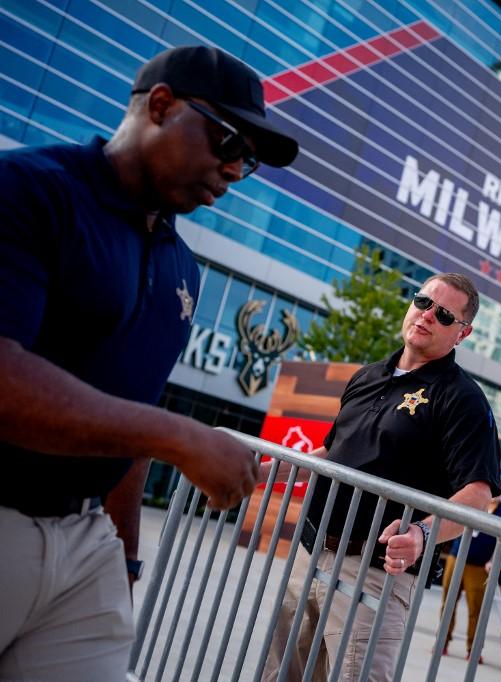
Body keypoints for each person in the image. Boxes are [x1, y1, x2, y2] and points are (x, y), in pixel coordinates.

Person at [0, 45, 297, 680]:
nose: (232, 168)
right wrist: (182, 437)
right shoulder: (28, 190)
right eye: (227, 141)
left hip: (85, 545)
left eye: (246, 162)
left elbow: (130, 422)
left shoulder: (180, 268)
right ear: (160, 105)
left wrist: (124, 560)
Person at [263, 273, 501, 682]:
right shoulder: (368, 375)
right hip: (310, 553)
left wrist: (422, 536)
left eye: (444, 314)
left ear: (463, 333)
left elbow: (478, 495)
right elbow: (333, 452)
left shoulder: (462, 398)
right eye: (423, 302)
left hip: (373, 576)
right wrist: (269, 468)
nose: (427, 315)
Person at [439, 493, 501, 662]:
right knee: (448, 603)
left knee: (476, 610)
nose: (497, 493)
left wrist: (493, 561)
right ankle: (442, 642)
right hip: (457, 559)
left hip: (479, 566)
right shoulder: (475, 502)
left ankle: (473, 649)